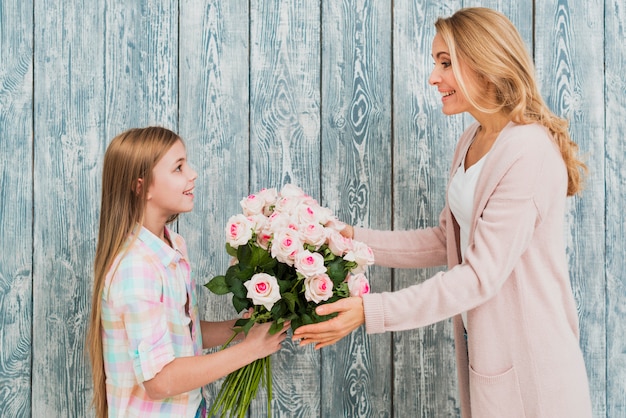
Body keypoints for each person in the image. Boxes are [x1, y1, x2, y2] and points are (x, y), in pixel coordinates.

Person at [293, 7, 592, 418]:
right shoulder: (473, 139)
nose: (434, 77)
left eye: (445, 63)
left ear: (485, 65)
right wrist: (345, 237)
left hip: (533, 375)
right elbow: (444, 240)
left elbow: (479, 276)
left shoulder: (528, 152)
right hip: (490, 360)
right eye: (436, 63)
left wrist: (371, 311)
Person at [86, 127, 289, 418]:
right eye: (179, 167)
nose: (192, 174)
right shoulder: (136, 269)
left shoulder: (173, 246)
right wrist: (252, 349)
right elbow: (159, 380)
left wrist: (244, 330)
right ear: (142, 187)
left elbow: (185, 334)